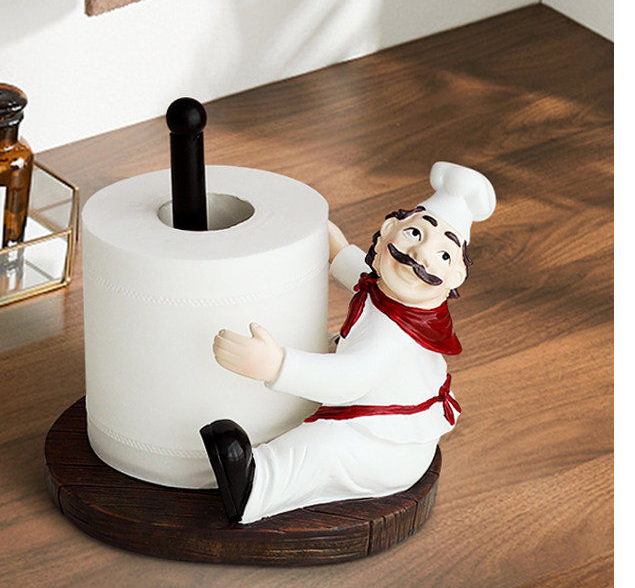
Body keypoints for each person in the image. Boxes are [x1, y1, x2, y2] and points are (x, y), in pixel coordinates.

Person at [200, 162, 496, 524]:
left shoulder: (397, 333)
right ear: (387, 232)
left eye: (444, 255)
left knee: (324, 448)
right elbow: (361, 272)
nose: (421, 256)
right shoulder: (387, 285)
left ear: (454, 277)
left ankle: (253, 483)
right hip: (371, 410)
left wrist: (275, 365)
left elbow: (349, 379)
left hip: (387, 446)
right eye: (415, 233)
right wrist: (336, 249)